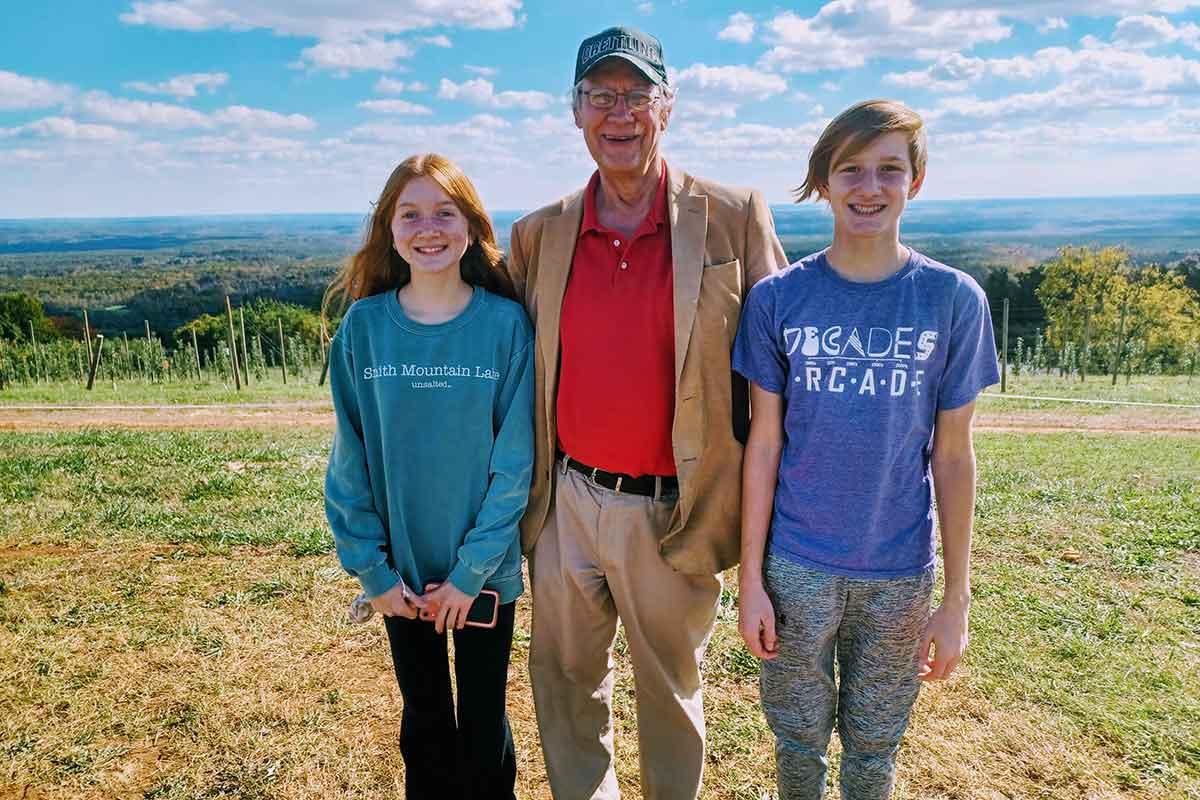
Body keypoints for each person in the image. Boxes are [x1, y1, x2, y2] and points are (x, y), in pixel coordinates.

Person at [506, 25, 788, 800]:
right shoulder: (538, 234)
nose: (619, 113)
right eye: (601, 96)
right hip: (565, 503)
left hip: (676, 510)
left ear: (668, 106)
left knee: (669, 692)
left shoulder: (732, 215)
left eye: (637, 95)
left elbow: (784, 361)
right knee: (563, 682)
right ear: (575, 111)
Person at [733, 99, 1001, 799]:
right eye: (850, 169)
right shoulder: (777, 300)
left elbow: (953, 456)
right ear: (824, 181)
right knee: (796, 738)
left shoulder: (954, 300)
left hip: (899, 570)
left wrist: (957, 600)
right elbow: (764, 444)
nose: (869, 187)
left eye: (889, 169)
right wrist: (751, 580)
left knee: (876, 745)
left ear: (917, 180)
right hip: (797, 565)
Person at [323, 153, 534, 800]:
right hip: (401, 578)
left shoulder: (505, 326)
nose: (428, 228)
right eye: (410, 214)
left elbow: (514, 465)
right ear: (389, 229)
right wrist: (373, 571)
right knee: (425, 728)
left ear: (471, 226)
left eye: (445, 212)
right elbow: (350, 461)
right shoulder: (364, 329)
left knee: (484, 729)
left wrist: (469, 574)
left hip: (485, 577)